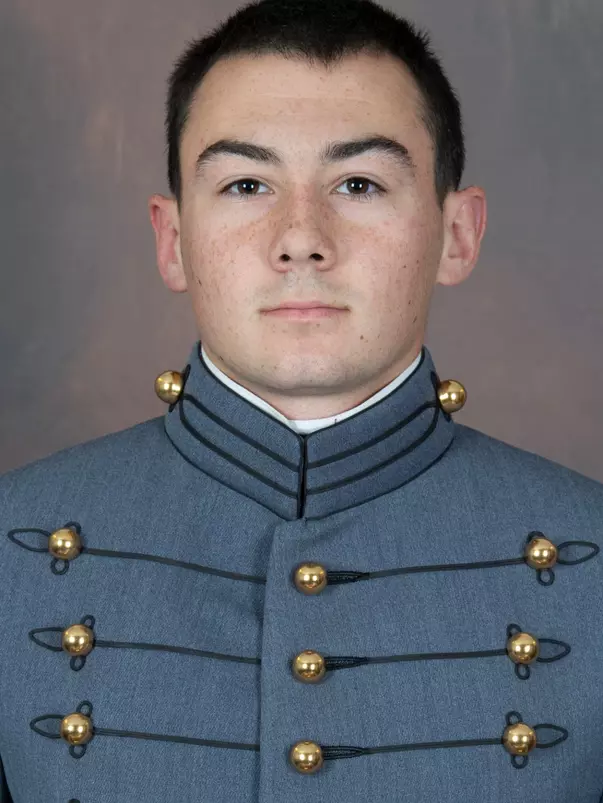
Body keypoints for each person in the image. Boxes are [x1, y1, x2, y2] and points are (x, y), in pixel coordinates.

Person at [1, 0, 602, 800]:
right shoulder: (13, 551)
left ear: (456, 233)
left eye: (357, 182)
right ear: (172, 240)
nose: (300, 237)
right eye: (246, 183)